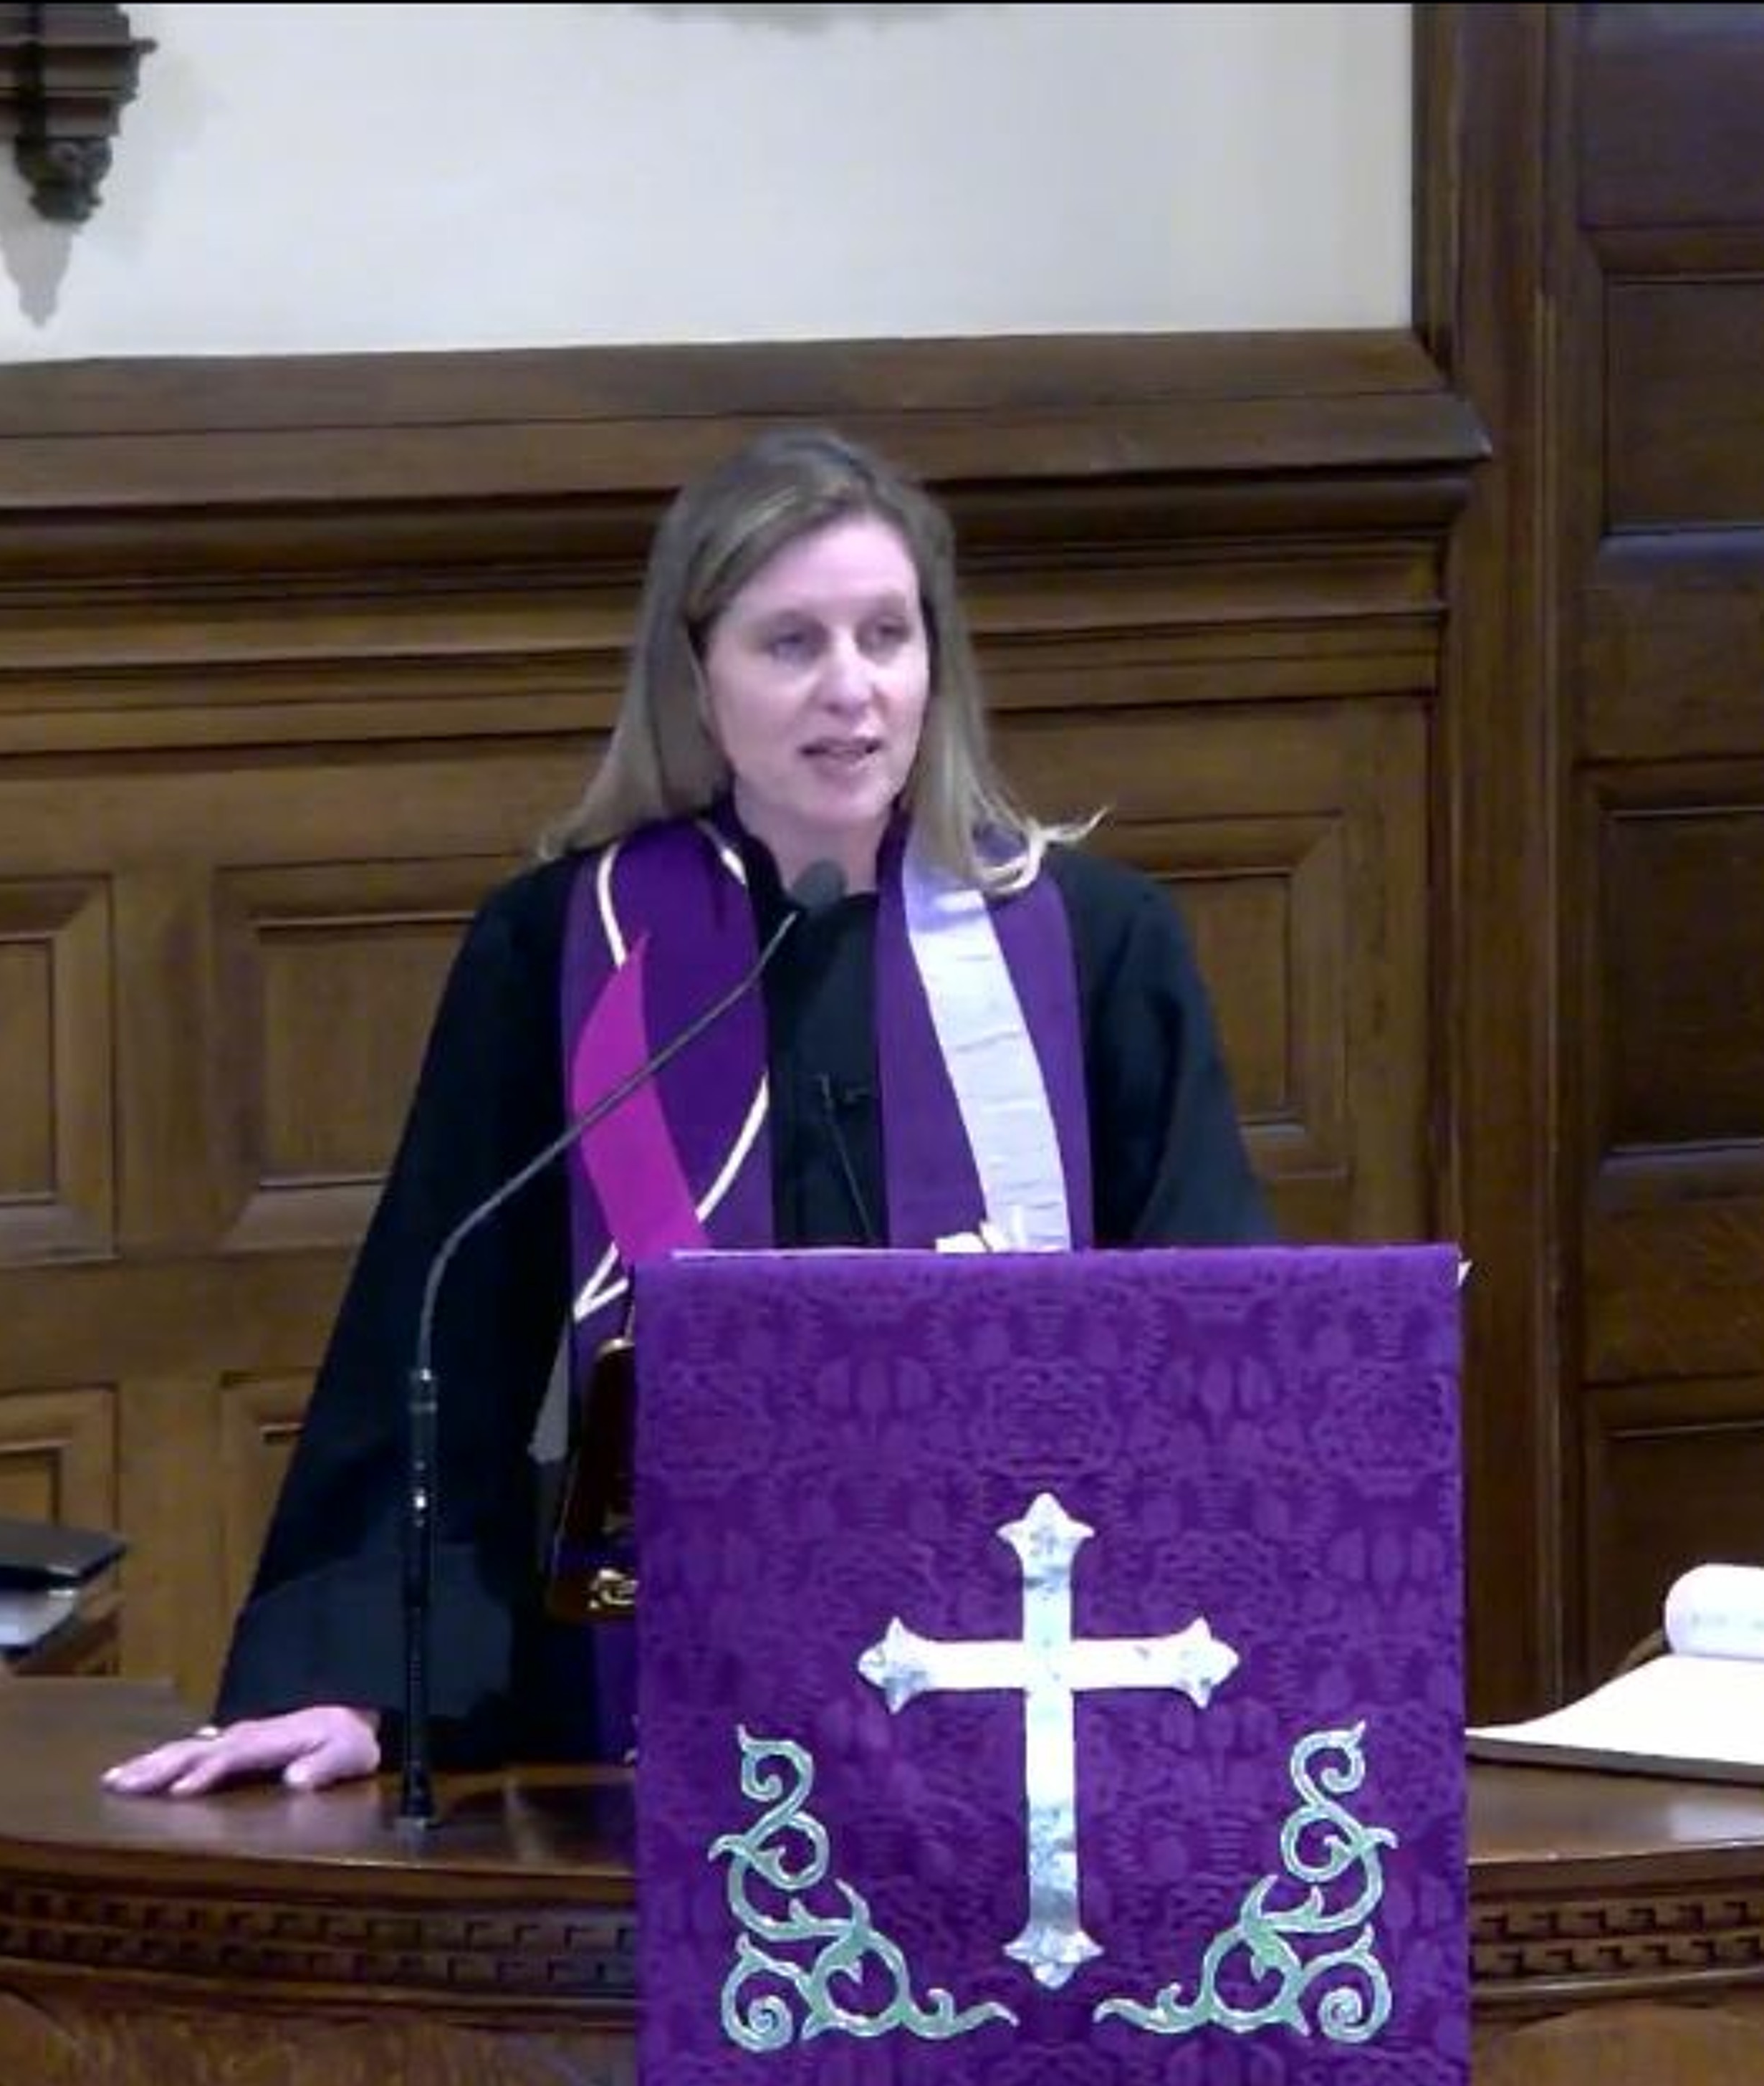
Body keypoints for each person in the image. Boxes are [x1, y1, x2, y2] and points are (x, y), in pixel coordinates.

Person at [103, 425, 1275, 1800]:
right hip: (658, 1689)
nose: (852, 690)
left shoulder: (1094, 948)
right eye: (791, 644)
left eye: (886, 636)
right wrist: (361, 1673)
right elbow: (441, 1346)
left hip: (1038, 1675)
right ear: (696, 679)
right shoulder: (572, 951)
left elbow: (1217, 1336)